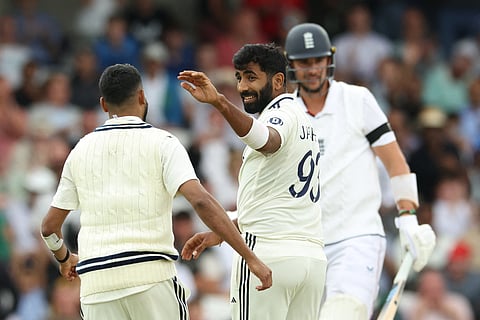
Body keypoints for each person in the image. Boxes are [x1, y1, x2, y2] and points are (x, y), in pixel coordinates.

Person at [40, 63, 272, 320]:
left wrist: (63, 258)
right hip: (151, 278)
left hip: (97, 287)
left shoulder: (80, 150)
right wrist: (250, 257)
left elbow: (49, 227)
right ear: (142, 96)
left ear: (104, 105)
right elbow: (201, 201)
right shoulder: (164, 143)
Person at [283, 23, 437, 319]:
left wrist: (408, 217)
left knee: (343, 312)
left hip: (357, 236)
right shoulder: (283, 112)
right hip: (306, 247)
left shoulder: (357, 100)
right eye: (304, 62)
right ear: (291, 65)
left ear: (329, 59)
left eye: (318, 60)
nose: (313, 69)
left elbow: (395, 162)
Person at [178, 43, 327, 320]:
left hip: (268, 257)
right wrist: (222, 232)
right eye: (239, 78)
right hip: (311, 261)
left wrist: (220, 102)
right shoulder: (304, 120)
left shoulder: (279, 115)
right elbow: (275, 201)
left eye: (251, 77)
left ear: (278, 80)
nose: (243, 87)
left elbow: (267, 141)